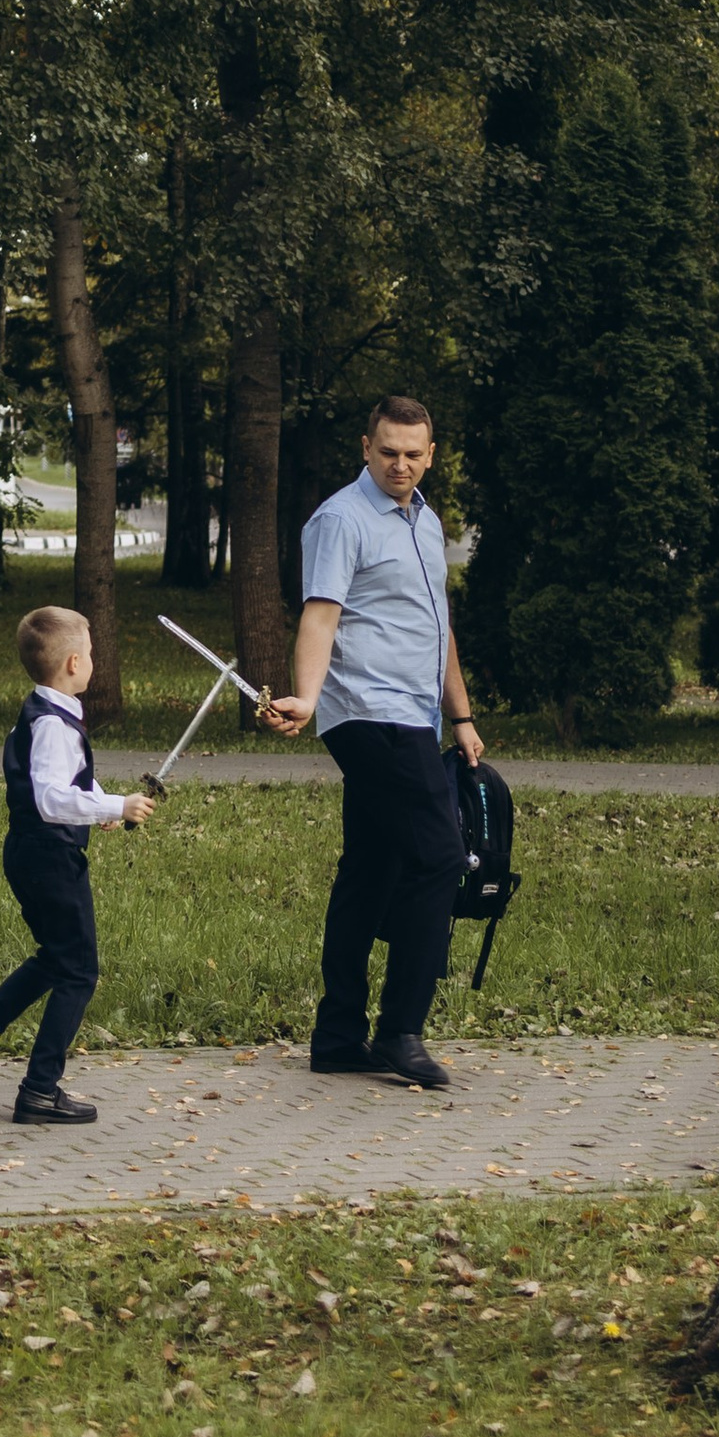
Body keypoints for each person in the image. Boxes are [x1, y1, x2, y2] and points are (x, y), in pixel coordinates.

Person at [262, 394, 484, 1090]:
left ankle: (337, 1038)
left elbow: (437, 625)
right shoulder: (341, 519)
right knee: (440, 857)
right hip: (366, 711)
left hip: (416, 716)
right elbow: (320, 616)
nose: (400, 465)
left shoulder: (426, 521)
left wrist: (461, 716)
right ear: (366, 447)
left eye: (413, 454)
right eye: (388, 452)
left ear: (431, 455)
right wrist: (305, 696)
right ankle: (399, 1031)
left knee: (372, 867)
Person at [0, 604, 154, 1125]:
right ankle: (38, 1090)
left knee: (58, 959)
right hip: (50, 857)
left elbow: (64, 778)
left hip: (32, 853)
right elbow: (51, 798)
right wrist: (116, 805)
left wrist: (101, 803)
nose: (94, 662)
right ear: (74, 663)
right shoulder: (55, 725)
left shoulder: (43, 710)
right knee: (79, 971)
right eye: (92, 654)